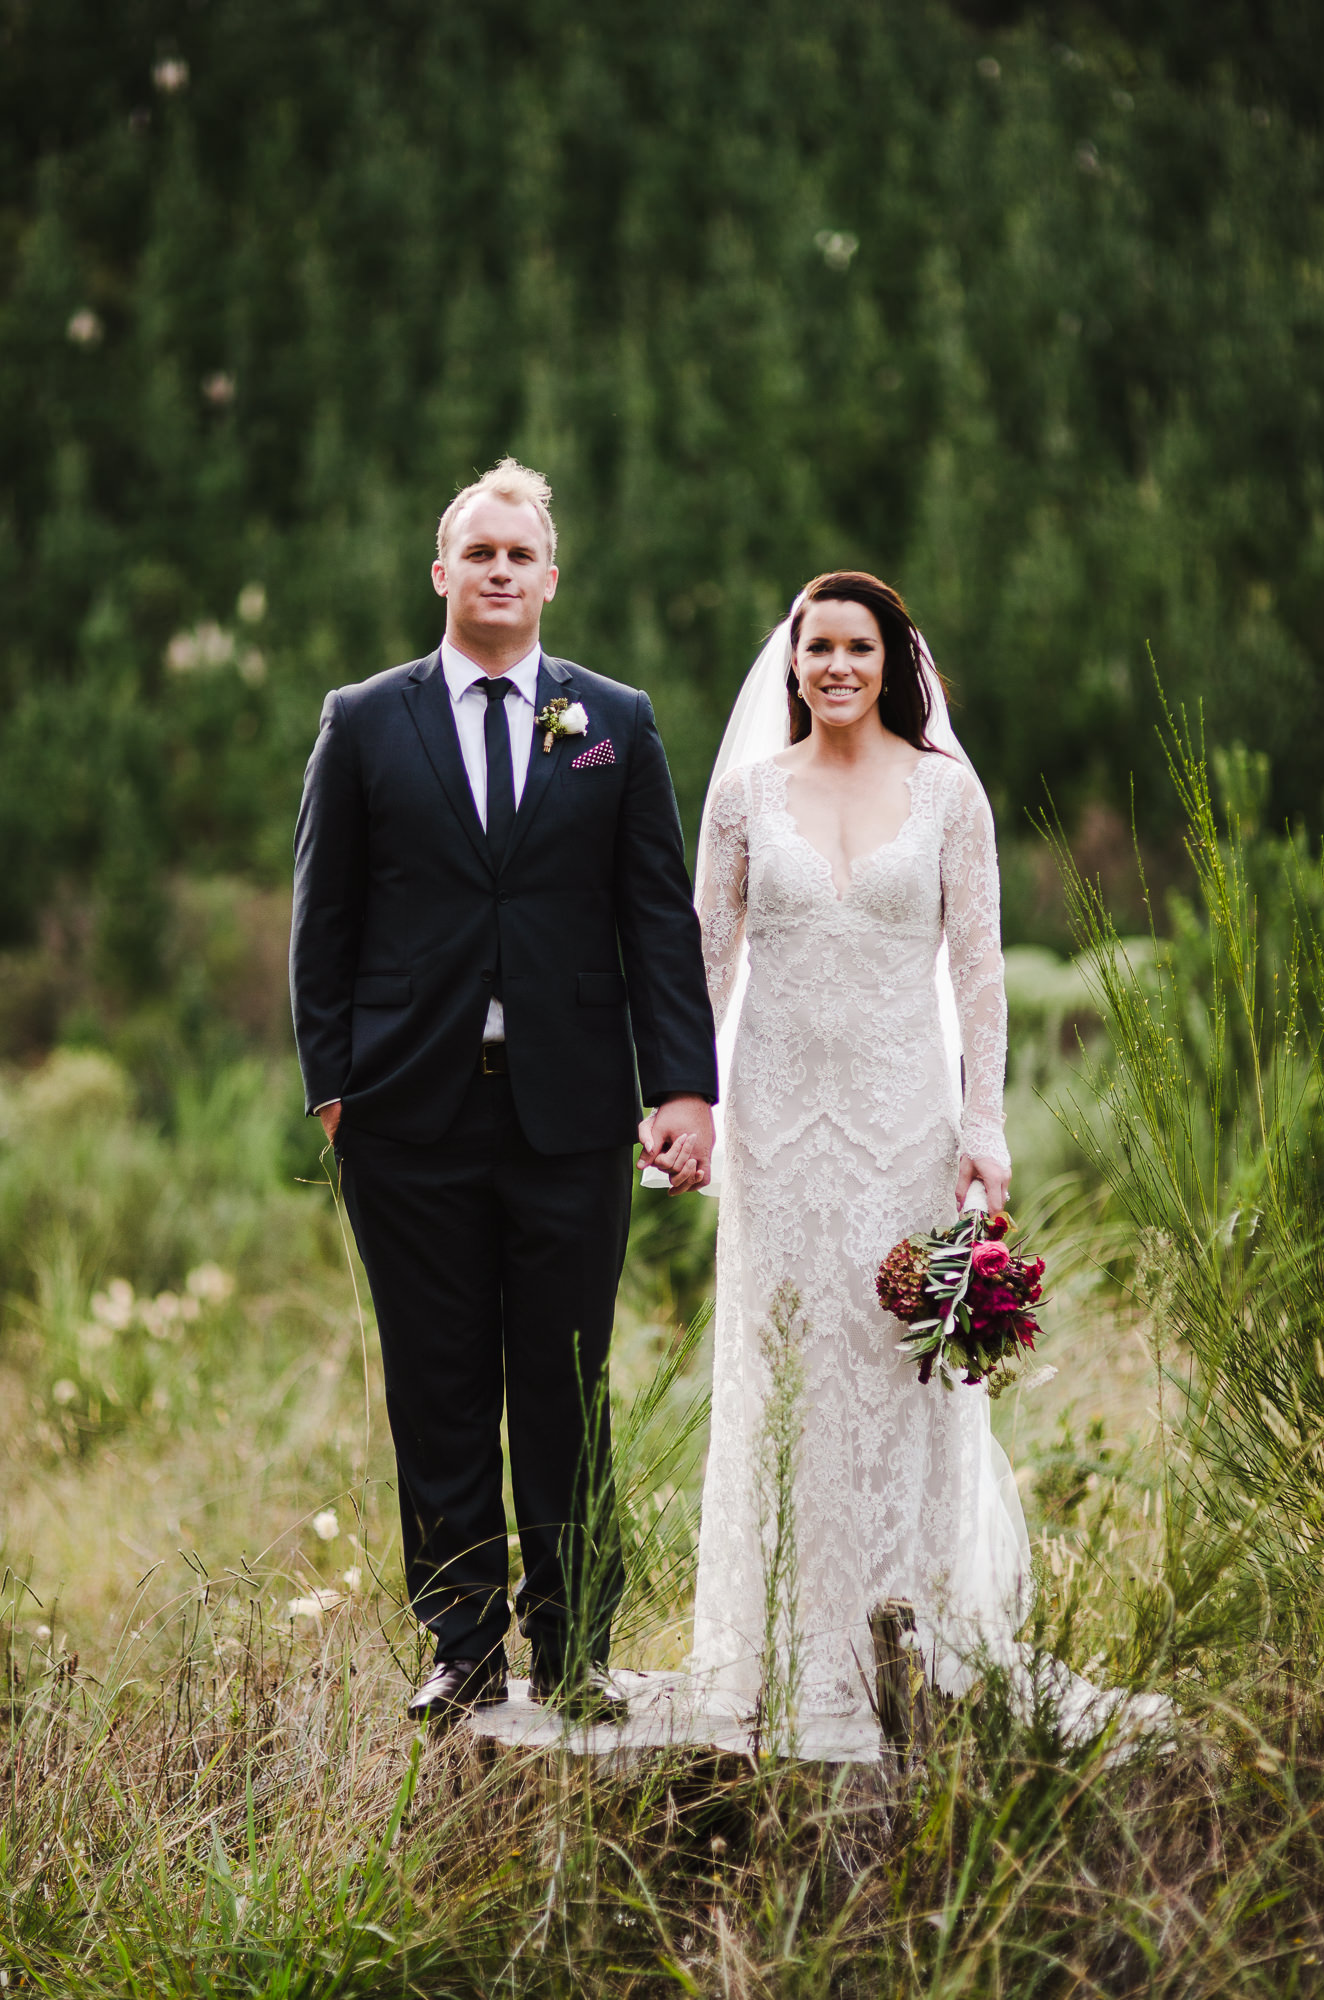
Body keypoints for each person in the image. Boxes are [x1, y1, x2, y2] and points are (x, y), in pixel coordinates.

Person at [289, 459, 717, 1726]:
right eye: (476, 551)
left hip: (570, 1109)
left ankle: (574, 1641)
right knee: (435, 1377)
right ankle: (462, 1640)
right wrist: (334, 1092)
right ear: (441, 572)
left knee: (563, 1371)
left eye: (518, 554)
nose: (497, 570)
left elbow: (654, 912)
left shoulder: (614, 722)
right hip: (405, 1108)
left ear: (547, 575)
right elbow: (325, 917)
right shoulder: (363, 719)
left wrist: (681, 1085)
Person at [690, 570, 1027, 1714]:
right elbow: (704, 966)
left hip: (902, 1123)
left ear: (894, 664)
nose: (835, 666)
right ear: (791, 662)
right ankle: (780, 1649)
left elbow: (977, 973)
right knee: (784, 1365)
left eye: (858, 647)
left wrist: (982, 1127)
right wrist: (684, 1100)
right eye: (816, 646)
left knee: (895, 1373)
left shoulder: (944, 796)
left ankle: (911, 1644)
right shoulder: (743, 797)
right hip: (776, 1125)